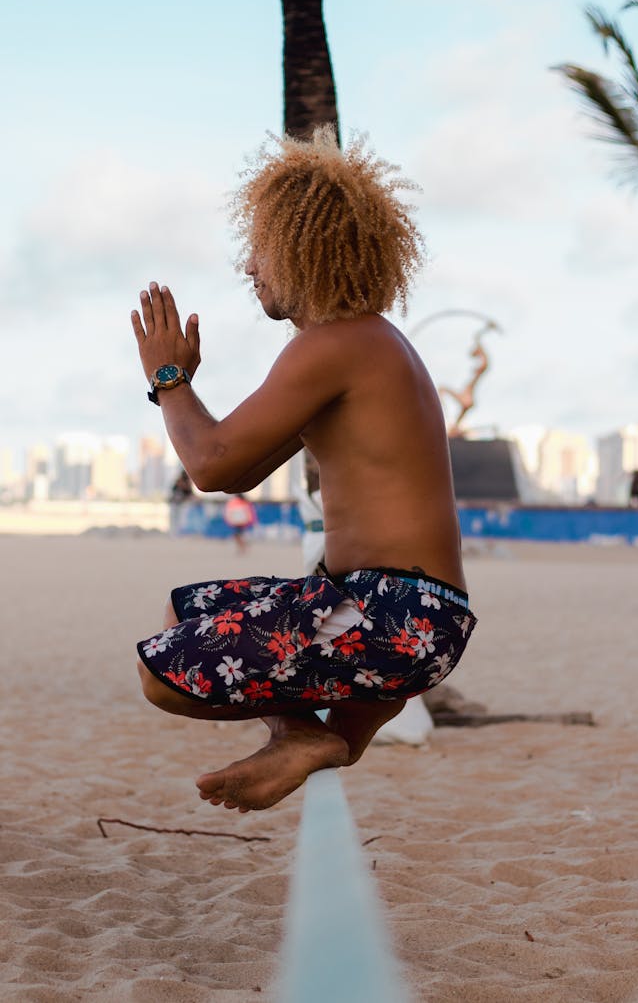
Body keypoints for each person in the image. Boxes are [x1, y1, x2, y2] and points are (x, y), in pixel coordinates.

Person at [131, 128, 477, 813]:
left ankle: (313, 738)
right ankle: (317, 737)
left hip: (388, 614)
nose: (248, 266)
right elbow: (239, 471)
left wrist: (168, 379)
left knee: (157, 672)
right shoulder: (373, 343)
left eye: (260, 247)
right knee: (186, 606)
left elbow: (209, 463)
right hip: (410, 613)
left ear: (301, 246)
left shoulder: (332, 345)